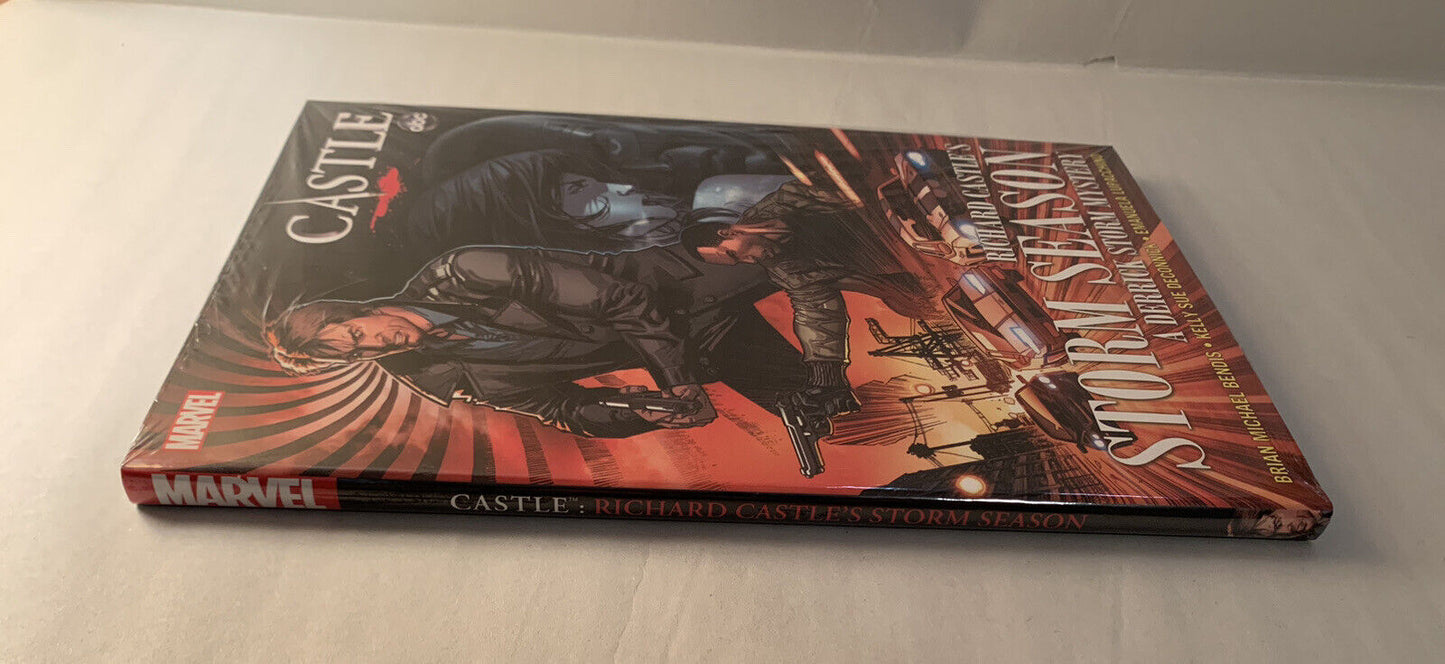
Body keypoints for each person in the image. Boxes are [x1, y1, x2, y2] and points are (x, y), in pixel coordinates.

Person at [266, 242, 820, 438]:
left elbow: (622, 299)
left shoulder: (465, 270)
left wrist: (675, 380)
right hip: (702, 349)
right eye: (359, 353)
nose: (375, 345)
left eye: (357, 333)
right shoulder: (439, 374)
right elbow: (560, 409)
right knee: (825, 412)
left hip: (689, 287)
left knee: (841, 254)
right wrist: (635, 412)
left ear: (357, 310)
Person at [679, 180, 938, 414]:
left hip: (920, 212)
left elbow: (854, 192)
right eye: (738, 262)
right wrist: (827, 380)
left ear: (728, 233)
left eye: (733, 254)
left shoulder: (786, 202)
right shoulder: (785, 270)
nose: (749, 261)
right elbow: (817, 313)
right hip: (925, 265)